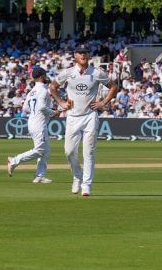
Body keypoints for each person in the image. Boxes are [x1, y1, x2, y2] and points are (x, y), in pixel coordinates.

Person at [50, 51, 119, 197]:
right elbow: (53, 87)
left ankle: (86, 185)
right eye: (80, 53)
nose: (83, 55)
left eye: (85, 53)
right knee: (69, 151)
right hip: (73, 116)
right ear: (75, 55)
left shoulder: (97, 72)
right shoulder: (67, 73)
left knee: (89, 151)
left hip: (90, 116)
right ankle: (77, 176)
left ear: (88, 56)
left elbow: (113, 87)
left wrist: (102, 102)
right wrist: (61, 102)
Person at [7, 65, 58, 183]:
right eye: (45, 75)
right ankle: (14, 160)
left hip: (33, 121)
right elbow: (41, 107)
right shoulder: (43, 91)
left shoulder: (31, 92)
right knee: (40, 150)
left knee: (46, 150)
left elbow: (25, 108)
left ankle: (39, 176)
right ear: (41, 77)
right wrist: (53, 112)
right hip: (39, 124)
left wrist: (37, 113)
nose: (46, 77)